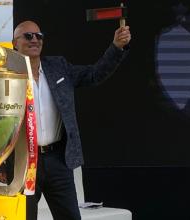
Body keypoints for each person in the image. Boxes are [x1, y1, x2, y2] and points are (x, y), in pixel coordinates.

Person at [12, 20, 131, 220]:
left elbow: (94, 74)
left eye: (39, 36)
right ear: (14, 43)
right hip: (24, 162)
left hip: (58, 159)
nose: (35, 40)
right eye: (28, 36)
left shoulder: (58, 67)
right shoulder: (6, 75)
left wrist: (116, 48)